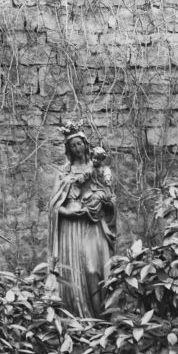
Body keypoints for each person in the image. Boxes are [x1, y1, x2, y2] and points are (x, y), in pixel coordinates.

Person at [46, 124, 117, 319]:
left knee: (93, 269)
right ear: (68, 149)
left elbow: (111, 199)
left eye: (80, 144)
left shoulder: (100, 169)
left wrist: (101, 201)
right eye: (73, 146)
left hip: (93, 224)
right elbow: (53, 205)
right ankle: (75, 316)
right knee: (72, 271)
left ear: (86, 145)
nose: (77, 148)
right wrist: (67, 212)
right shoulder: (63, 173)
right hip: (70, 227)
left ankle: (101, 317)